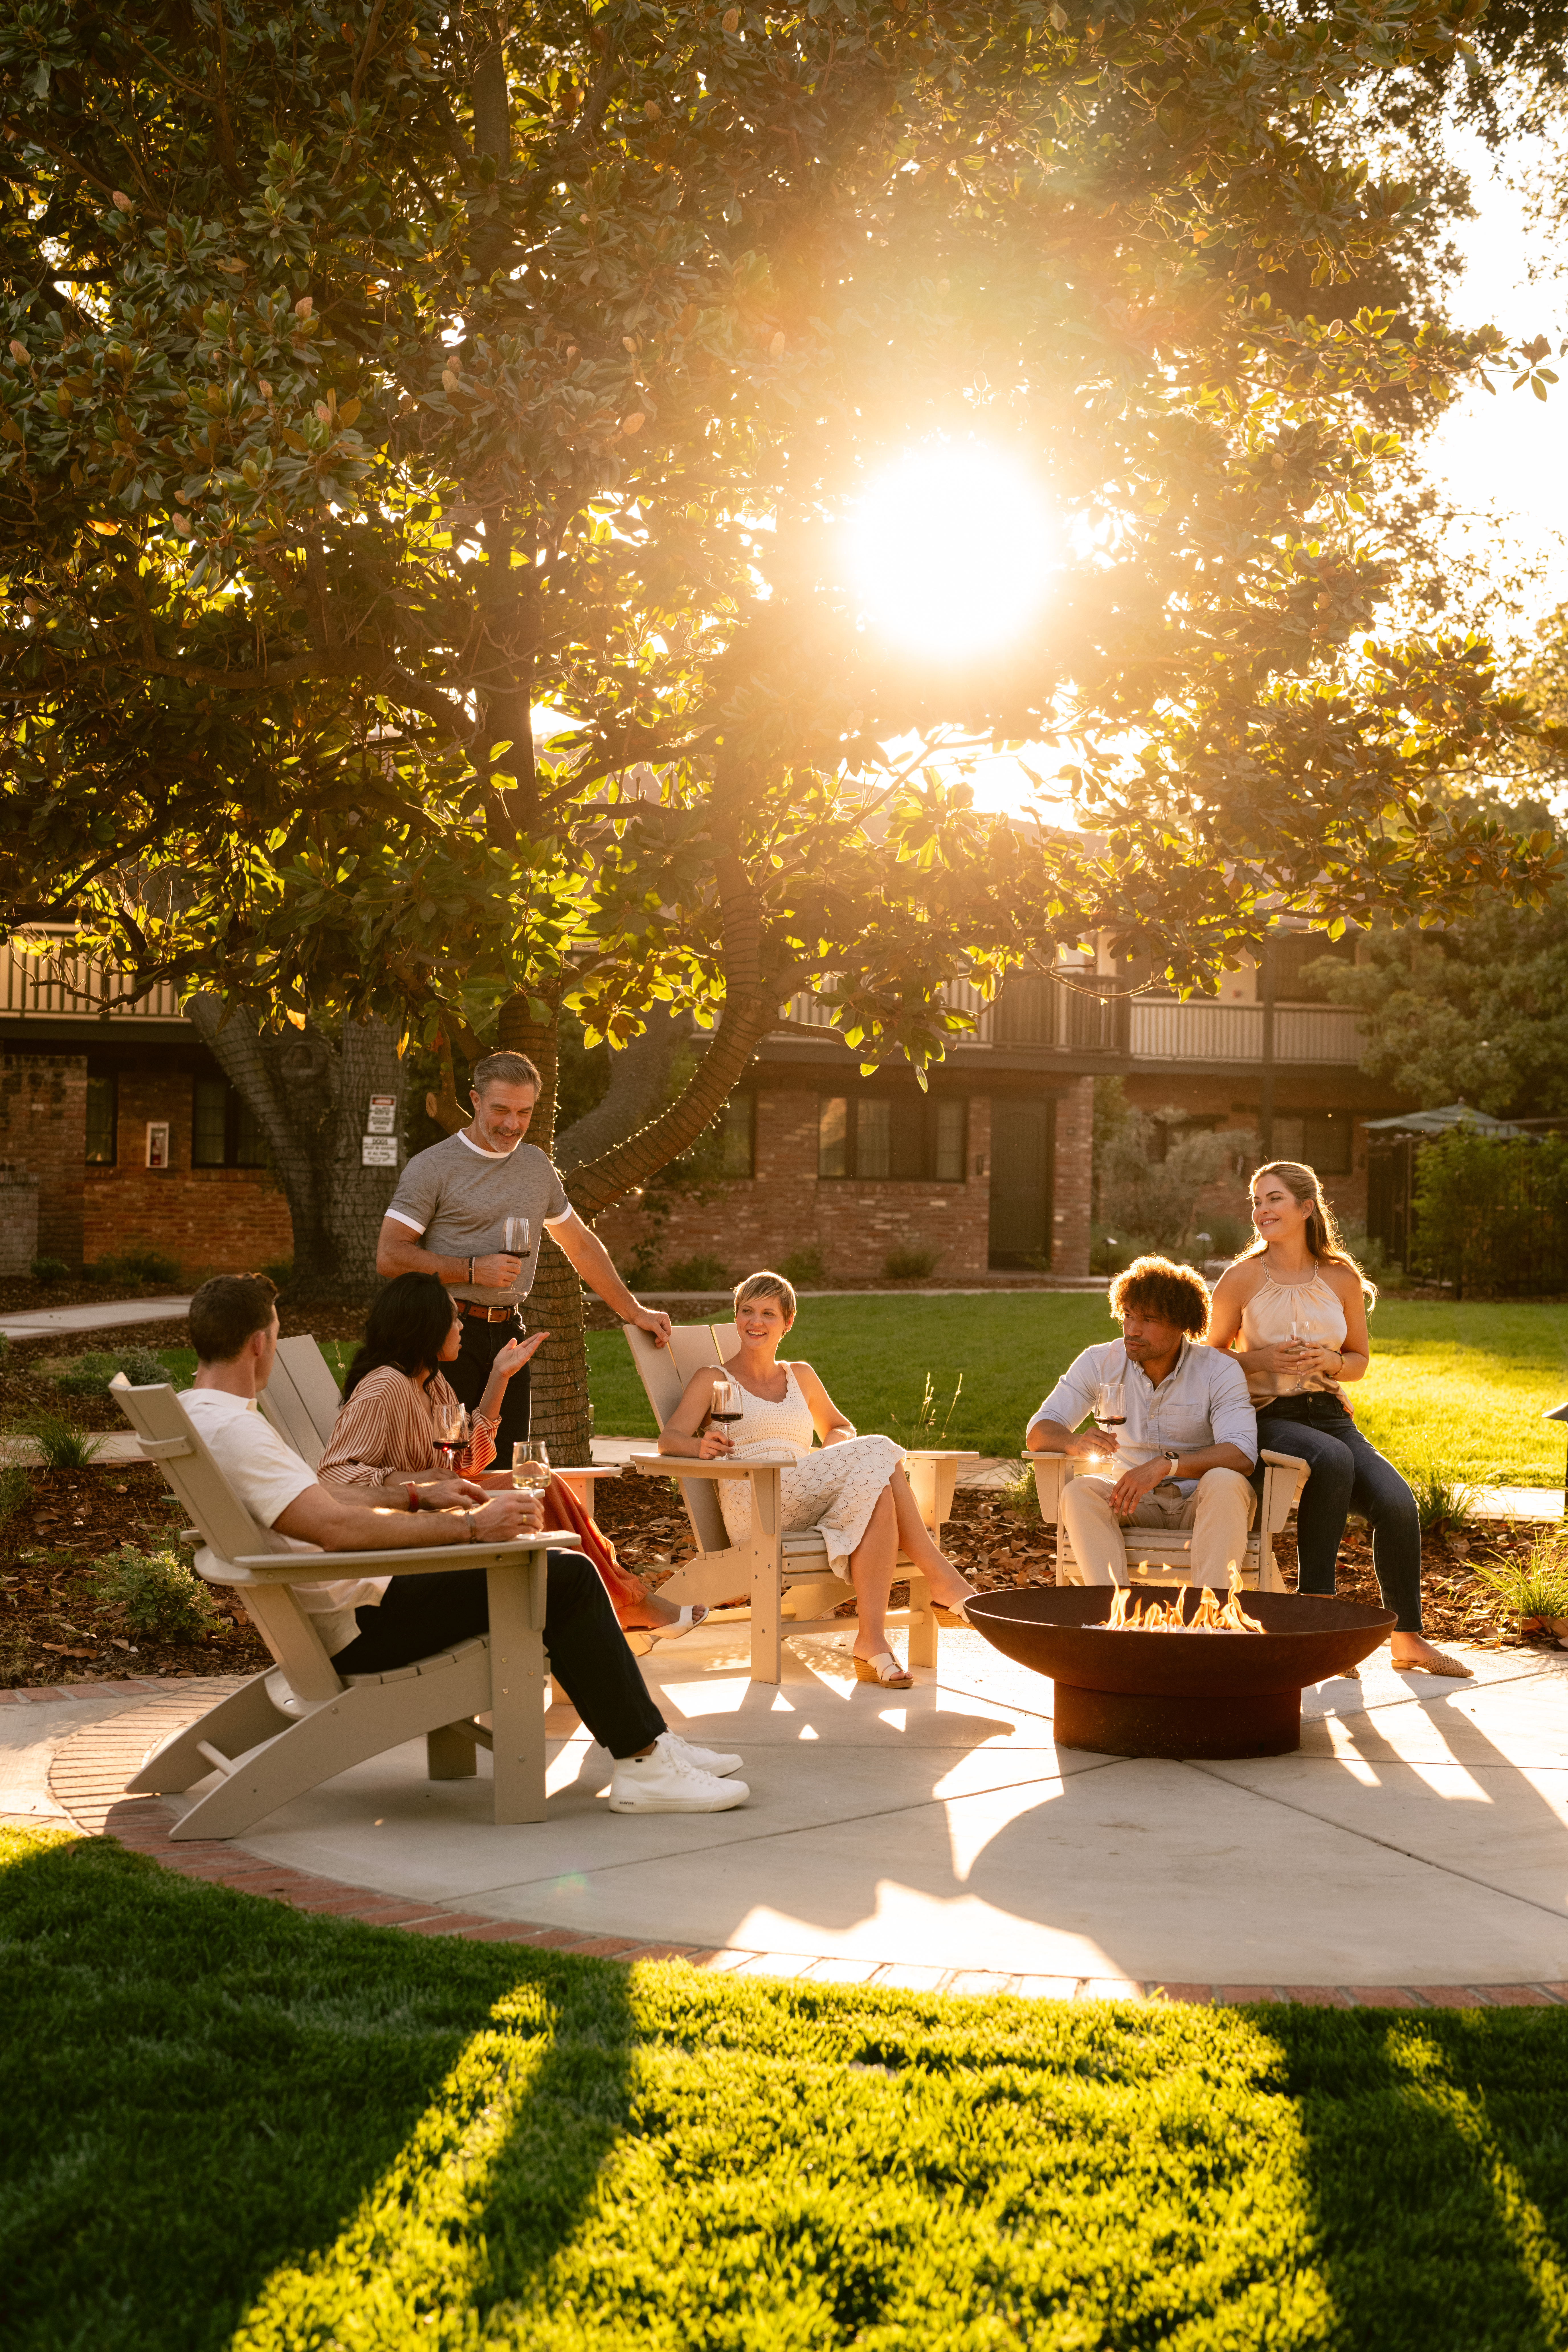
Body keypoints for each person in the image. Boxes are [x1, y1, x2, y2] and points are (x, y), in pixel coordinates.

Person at [179, 1273, 748, 1813]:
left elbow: (324, 1510)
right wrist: (472, 1528)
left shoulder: (201, 1417)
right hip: (364, 1622)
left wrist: (417, 1498)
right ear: (260, 1343)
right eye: (276, 1338)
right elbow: (334, 1525)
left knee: (554, 1571)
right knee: (565, 1578)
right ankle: (645, 1764)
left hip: (351, 1606)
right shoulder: (240, 1430)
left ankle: (651, 1745)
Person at [317, 1271, 704, 1639]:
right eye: (453, 1319)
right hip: (414, 1522)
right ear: (426, 1326)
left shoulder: (432, 1385)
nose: (462, 1327)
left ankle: (613, 1602)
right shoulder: (386, 1385)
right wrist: (408, 1484)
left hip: (443, 1505)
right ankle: (622, 1604)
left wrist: (500, 1377)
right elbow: (333, 1477)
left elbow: (468, 1463)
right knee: (538, 1483)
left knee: (535, 1476)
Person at [1206, 1160, 1471, 1678]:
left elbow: (1358, 1361)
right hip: (1264, 1415)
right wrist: (1261, 1361)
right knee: (1329, 1459)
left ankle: (1407, 1640)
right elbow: (1206, 1359)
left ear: (1306, 1208)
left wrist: (1330, 1362)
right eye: (1256, 1201)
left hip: (1328, 1414)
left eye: (1273, 1199)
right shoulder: (1240, 1278)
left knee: (1396, 1503)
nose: (1260, 1210)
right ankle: (1316, 1618)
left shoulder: (1340, 1277)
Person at [657, 1270, 976, 1690]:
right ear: (736, 1318)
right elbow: (670, 1438)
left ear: (788, 1323)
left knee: (878, 1492)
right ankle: (943, 1580)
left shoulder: (800, 1375)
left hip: (803, 1488)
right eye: (746, 1311)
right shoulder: (713, 1379)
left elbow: (840, 1428)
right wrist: (698, 1447)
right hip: (755, 1500)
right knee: (880, 1452)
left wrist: (834, 1456)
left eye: (768, 1313)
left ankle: (872, 1641)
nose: (755, 1322)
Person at [376, 1050, 674, 1455]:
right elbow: (390, 1256)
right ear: (476, 1100)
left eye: (524, 1112)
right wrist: (472, 1270)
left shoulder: (536, 1166)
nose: (512, 1125)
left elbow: (581, 1245)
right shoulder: (433, 1167)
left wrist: (635, 1312)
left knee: (509, 1460)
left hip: (509, 1335)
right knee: (448, 1462)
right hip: (444, 1332)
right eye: (501, 1110)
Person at [1026, 1255, 1258, 1587]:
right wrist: (1073, 1442)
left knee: (1226, 1481)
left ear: (1181, 1324)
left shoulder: (1218, 1370)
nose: (1132, 1330)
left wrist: (1166, 1465)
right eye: (1128, 1315)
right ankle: (1110, 1615)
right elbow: (1038, 1431)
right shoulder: (1099, 1362)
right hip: (1130, 1501)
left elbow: (1240, 1454)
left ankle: (1212, 1618)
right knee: (1080, 1492)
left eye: (1148, 1319)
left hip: (1200, 1502)